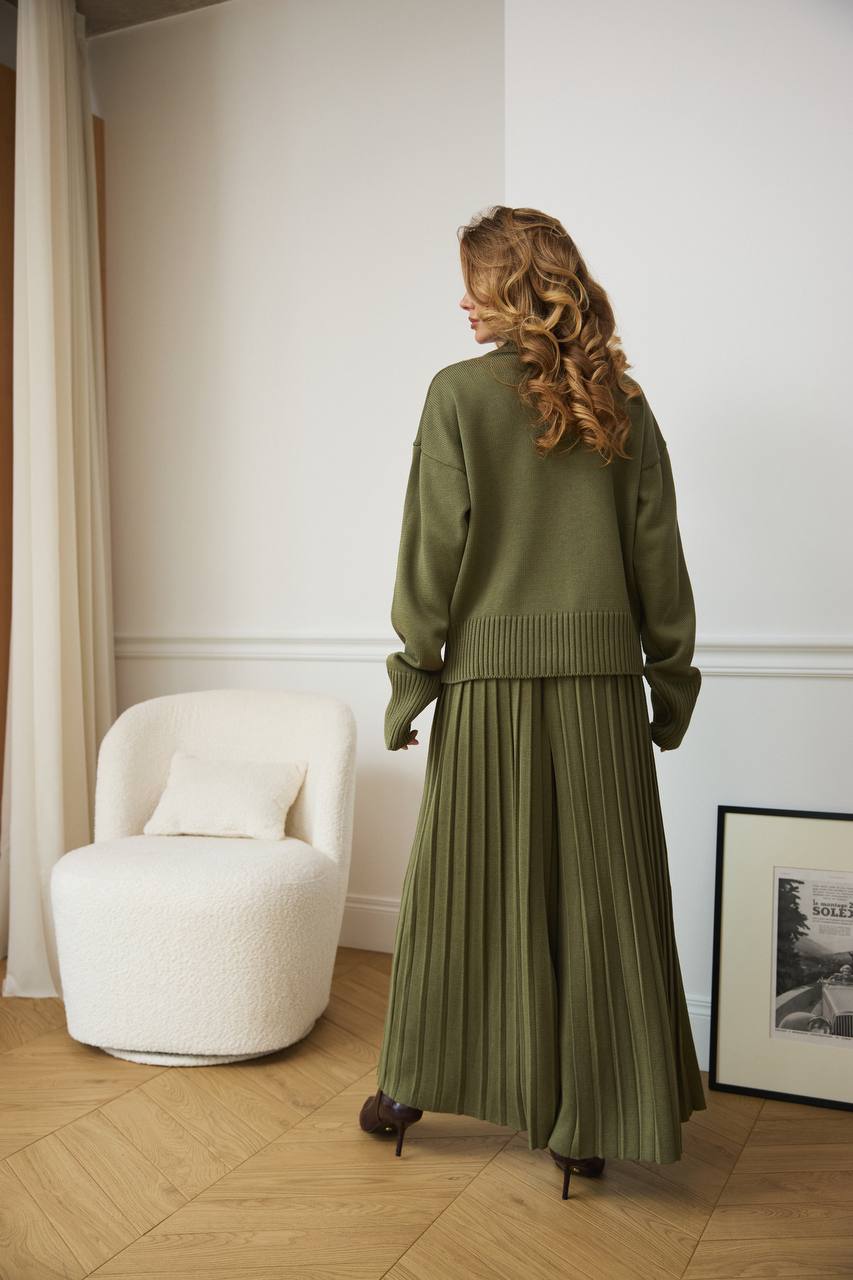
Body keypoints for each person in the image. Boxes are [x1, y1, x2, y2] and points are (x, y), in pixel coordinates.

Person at [359, 205, 707, 1201]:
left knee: (462, 902)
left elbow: (431, 552)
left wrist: (411, 675)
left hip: (486, 690)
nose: (461, 300)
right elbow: (660, 561)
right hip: (601, 689)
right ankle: (587, 1121)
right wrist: (670, 676)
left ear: (515, 287)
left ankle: (414, 1082)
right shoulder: (622, 404)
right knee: (602, 902)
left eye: (473, 279)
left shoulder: (455, 397)